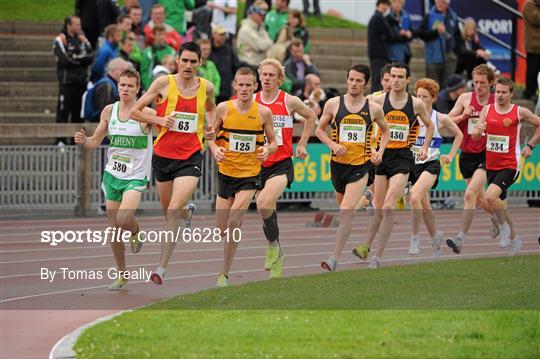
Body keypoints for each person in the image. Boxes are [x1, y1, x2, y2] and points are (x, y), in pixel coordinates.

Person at [130, 42, 216, 285]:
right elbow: (136, 111)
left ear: (200, 63)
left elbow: (211, 110)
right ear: (177, 60)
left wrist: (210, 128)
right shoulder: (163, 84)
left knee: (173, 209)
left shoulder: (206, 88)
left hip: (190, 156)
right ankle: (188, 212)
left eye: (193, 61)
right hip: (163, 155)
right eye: (184, 60)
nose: (188, 65)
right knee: (171, 210)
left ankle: (161, 267)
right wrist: (160, 119)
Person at [74, 69, 154, 290]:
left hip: (135, 176)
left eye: (130, 85)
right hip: (113, 175)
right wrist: (84, 141)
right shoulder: (110, 111)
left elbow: (164, 126)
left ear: (138, 88)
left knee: (123, 218)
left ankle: (136, 231)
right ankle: (121, 274)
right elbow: (95, 141)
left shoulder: (144, 113)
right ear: (117, 87)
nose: (125, 89)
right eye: (122, 85)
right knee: (113, 228)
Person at [352, 62, 434, 269]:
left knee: (388, 206)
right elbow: (362, 121)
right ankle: (365, 247)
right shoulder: (378, 100)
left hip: (403, 158)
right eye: (393, 76)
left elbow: (430, 125)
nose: (395, 80)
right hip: (382, 156)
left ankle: (377, 258)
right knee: (379, 209)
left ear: (408, 80)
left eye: (400, 77)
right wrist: (371, 149)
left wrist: (423, 148)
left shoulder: (415, 104)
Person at [207, 67, 277, 287]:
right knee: (222, 229)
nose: (245, 89)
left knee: (234, 220)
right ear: (235, 86)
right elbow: (210, 135)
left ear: (255, 86)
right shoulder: (223, 108)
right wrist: (213, 148)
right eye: (241, 84)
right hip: (226, 174)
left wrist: (267, 151)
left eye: (249, 85)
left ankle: (223, 274)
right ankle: (231, 232)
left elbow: (274, 142)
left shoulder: (264, 113)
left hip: (250, 175)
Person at [317, 64, 389, 271]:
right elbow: (320, 130)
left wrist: (379, 152)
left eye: (358, 80)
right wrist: (332, 145)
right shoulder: (333, 104)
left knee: (346, 210)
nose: (354, 84)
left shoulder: (373, 109)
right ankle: (366, 199)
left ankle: (333, 258)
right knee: (344, 207)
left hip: (361, 165)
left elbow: (386, 131)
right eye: (351, 79)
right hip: (338, 165)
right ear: (346, 80)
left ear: (365, 84)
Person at [255, 59, 316, 277]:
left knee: (263, 201)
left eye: (272, 75)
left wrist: (301, 144)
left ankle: (272, 248)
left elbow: (311, 117)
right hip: (257, 164)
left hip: (281, 163)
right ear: (259, 76)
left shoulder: (289, 101)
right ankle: (277, 250)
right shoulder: (252, 101)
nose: (267, 79)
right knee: (266, 209)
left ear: (280, 79)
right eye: (264, 75)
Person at [471, 77, 540, 255]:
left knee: (488, 198)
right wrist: (478, 131)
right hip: (491, 164)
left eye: (503, 92)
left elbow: (538, 124)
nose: (499, 95)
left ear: (511, 94)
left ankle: (503, 228)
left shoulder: (519, 112)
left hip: (510, 164)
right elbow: (475, 136)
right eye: (497, 92)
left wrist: (530, 145)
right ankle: (514, 238)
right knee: (492, 202)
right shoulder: (487, 110)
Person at [446, 64, 500, 253]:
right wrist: (463, 115)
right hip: (467, 153)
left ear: (491, 83)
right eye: (475, 82)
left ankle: (460, 239)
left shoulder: (496, 101)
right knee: (479, 199)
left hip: (487, 154)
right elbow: (446, 121)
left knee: (469, 194)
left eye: (482, 83)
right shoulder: (464, 98)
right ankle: (499, 219)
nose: (478, 86)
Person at [408, 78, 463, 256]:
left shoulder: (440, 118)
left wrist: (451, 155)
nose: (420, 100)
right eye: (418, 96)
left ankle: (415, 238)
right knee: (425, 207)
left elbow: (459, 135)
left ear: (433, 98)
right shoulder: (411, 117)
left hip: (431, 165)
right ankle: (435, 239)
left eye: (424, 96)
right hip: (413, 165)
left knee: (414, 197)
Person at [53, 15, 94, 143]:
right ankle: (60, 141)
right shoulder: (60, 39)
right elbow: (64, 60)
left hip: (81, 82)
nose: (79, 27)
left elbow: (90, 56)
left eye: (79, 24)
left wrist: (75, 58)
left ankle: (75, 141)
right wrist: (80, 60)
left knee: (78, 115)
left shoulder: (83, 39)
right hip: (67, 83)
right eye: (76, 24)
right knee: (63, 113)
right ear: (69, 25)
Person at [417, 0, 460, 88]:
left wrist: (455, 53)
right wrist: (436, 32)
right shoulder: (429, 16)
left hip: (449, 56)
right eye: (438, 1)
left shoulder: (454, 17)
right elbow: (420, 33)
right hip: (433, 56)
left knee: (448, 87)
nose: (440, 4)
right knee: (432, 87)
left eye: (443, 2)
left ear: (448, 4)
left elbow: (457, 37)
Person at [84, 58, 133, 122]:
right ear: (113, 70)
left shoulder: (111, 84)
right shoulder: (106, 85)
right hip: (99, 124)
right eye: (122, 70)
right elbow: (105, 110)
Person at [236, 0, 273, 68]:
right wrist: (268, 43)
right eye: (260, 14)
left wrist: (268, 43)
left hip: (258, 66)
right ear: (253, 13)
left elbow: (270, 43)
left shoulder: (260, 27)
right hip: (248, 67)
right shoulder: (246, 29)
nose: (262, 17)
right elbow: (262, 46)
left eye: (264, 14)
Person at [210, 25, 240, 103]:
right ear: (213, 34)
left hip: (226, 91)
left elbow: (236, 66)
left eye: (224, 34)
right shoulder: (208, 49)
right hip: (211, 91)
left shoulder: (229, 50)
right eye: (220, 34)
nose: (223, 37)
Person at [141, 24, 176, 89]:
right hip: (152, 85)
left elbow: (175, 71)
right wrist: (149, 89)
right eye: (159, 34)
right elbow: (144, 73)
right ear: (154, 35)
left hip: (170, 86)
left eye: (163, 34)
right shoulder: (148, 52)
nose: (162, 37)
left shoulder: (172, 51)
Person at [367, 0, 392, 92]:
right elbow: (389, 34)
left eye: (386, 5)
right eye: (383, 4)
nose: (385, 7)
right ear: (378, 5)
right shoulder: (378, 18)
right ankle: (375, 100)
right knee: (378, 79)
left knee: (377, 78)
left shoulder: (377, 17)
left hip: (376, 53)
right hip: (378, 54)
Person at [523, 0, 540, 102]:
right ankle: (529, 93)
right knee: (532, 71)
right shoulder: (529, 5)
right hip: (533, 45)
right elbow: (536, 19)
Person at [387, 0, 413, 64]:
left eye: (399, 2)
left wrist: (409, 34)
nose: (397, 4)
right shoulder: (387, 18)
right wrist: (402, 34)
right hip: (392, 55)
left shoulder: (406, 16)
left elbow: (412, 33)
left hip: (405, 53)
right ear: (391, 4)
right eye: (395, 2)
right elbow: (388, 37)